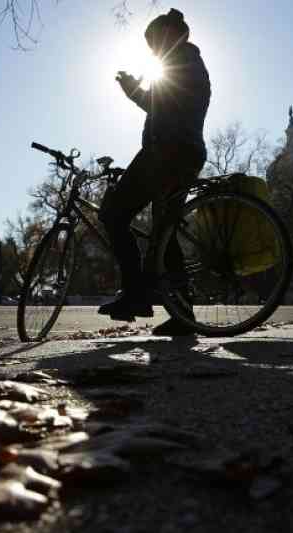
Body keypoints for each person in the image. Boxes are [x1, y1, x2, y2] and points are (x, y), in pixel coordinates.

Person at [97, 8, 211, 336]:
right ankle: (180, 311)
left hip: (168, 154)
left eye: (154, 43)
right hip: (176, 153)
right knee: (164, 233)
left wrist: (133, 89)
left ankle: (136, 295)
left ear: (168, 37)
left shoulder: (184, 65)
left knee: (114, 214)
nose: (152, 50)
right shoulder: (187, 63)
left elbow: (161, 106)